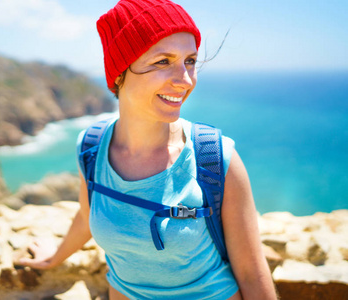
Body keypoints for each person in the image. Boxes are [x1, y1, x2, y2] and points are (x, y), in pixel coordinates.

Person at [18, 0, 277, 299]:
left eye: (190, 61)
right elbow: (88, 214)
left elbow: (252, 274)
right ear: (119, 73)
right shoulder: (90, 149)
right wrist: (55, 257)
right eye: (163, 61)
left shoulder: (215, 157)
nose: (185, 80)